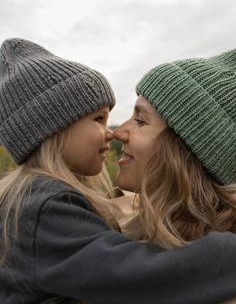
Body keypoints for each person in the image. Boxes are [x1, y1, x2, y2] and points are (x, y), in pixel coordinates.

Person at [0, 38, 236, 304]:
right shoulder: (44, 206)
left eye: (139, 120)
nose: (115, 132)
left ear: (187, 147)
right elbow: (133, 273)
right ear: (54, 131)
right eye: (99, 119)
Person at [114, 49, 236, 248]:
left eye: (140, 121)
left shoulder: (212, 271)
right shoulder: (125, 234)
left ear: (184, 151)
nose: (117, 133)